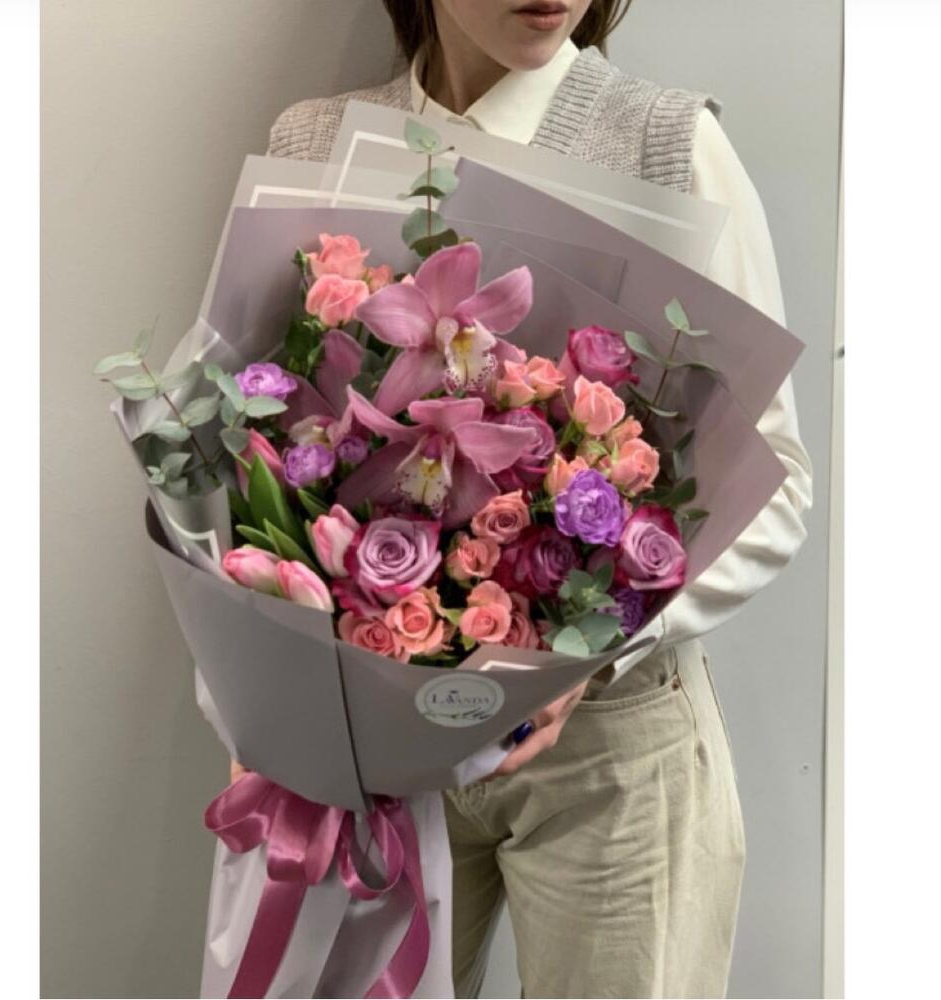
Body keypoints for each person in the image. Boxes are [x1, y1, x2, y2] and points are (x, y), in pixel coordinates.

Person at [248, 2, 814, 996]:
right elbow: (257, 436)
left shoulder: (668, 143)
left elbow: (774, 484)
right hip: (383, 748)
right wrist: (272, 686)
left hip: (612, 750)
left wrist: (585, 651)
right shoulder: (318, 142)